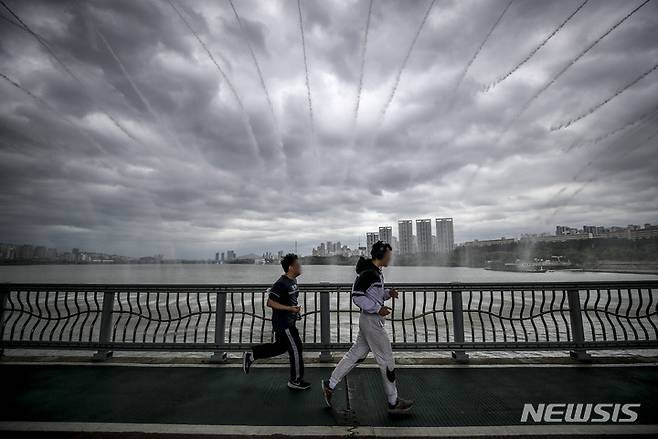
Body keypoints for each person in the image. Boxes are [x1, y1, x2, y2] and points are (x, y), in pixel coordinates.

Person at [321, 241, 414, 414]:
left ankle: (330, 384)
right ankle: (393, 403)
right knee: (387, 361)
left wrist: (387, 294)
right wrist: (378, 308)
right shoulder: (369, 273)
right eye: (388, 254)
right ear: (381, 255)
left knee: (356, 354)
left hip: (369, 320)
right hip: (372, 322)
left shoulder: (375, 272)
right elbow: (356, 296)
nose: (390, 257)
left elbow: (373, 295)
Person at [242, 253, 310, 390]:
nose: (300, 267)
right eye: (298, 265)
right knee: (296, 349)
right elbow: (270, 302)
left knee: (280, 347)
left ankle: (252, 355)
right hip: (283, 323)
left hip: (289, 321)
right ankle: (295, 380)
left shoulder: (293, 282)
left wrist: (294, 311)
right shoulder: (281, 283)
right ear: (291, 267)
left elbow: (290, 300)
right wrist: (290, 309)